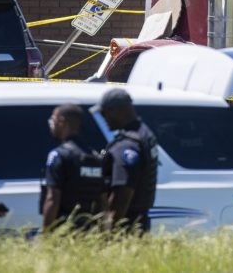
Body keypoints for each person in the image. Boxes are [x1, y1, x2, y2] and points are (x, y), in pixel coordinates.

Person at [97, 87, 159, 234]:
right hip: (138, 222)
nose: (104, 119)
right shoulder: (144, 133)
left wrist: (109, 232)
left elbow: (122, 194)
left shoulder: (127, 145)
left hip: (126, 227)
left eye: (104, 114)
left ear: (116, 111)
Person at [41, 104, 105, 232]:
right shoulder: (95, 157)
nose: (51, 124)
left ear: (62, 121)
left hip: (65, 230)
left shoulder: (59, 155)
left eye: (52, 120)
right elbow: (103, 202)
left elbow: (52, 199)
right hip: (90, 232)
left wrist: (46, 236)